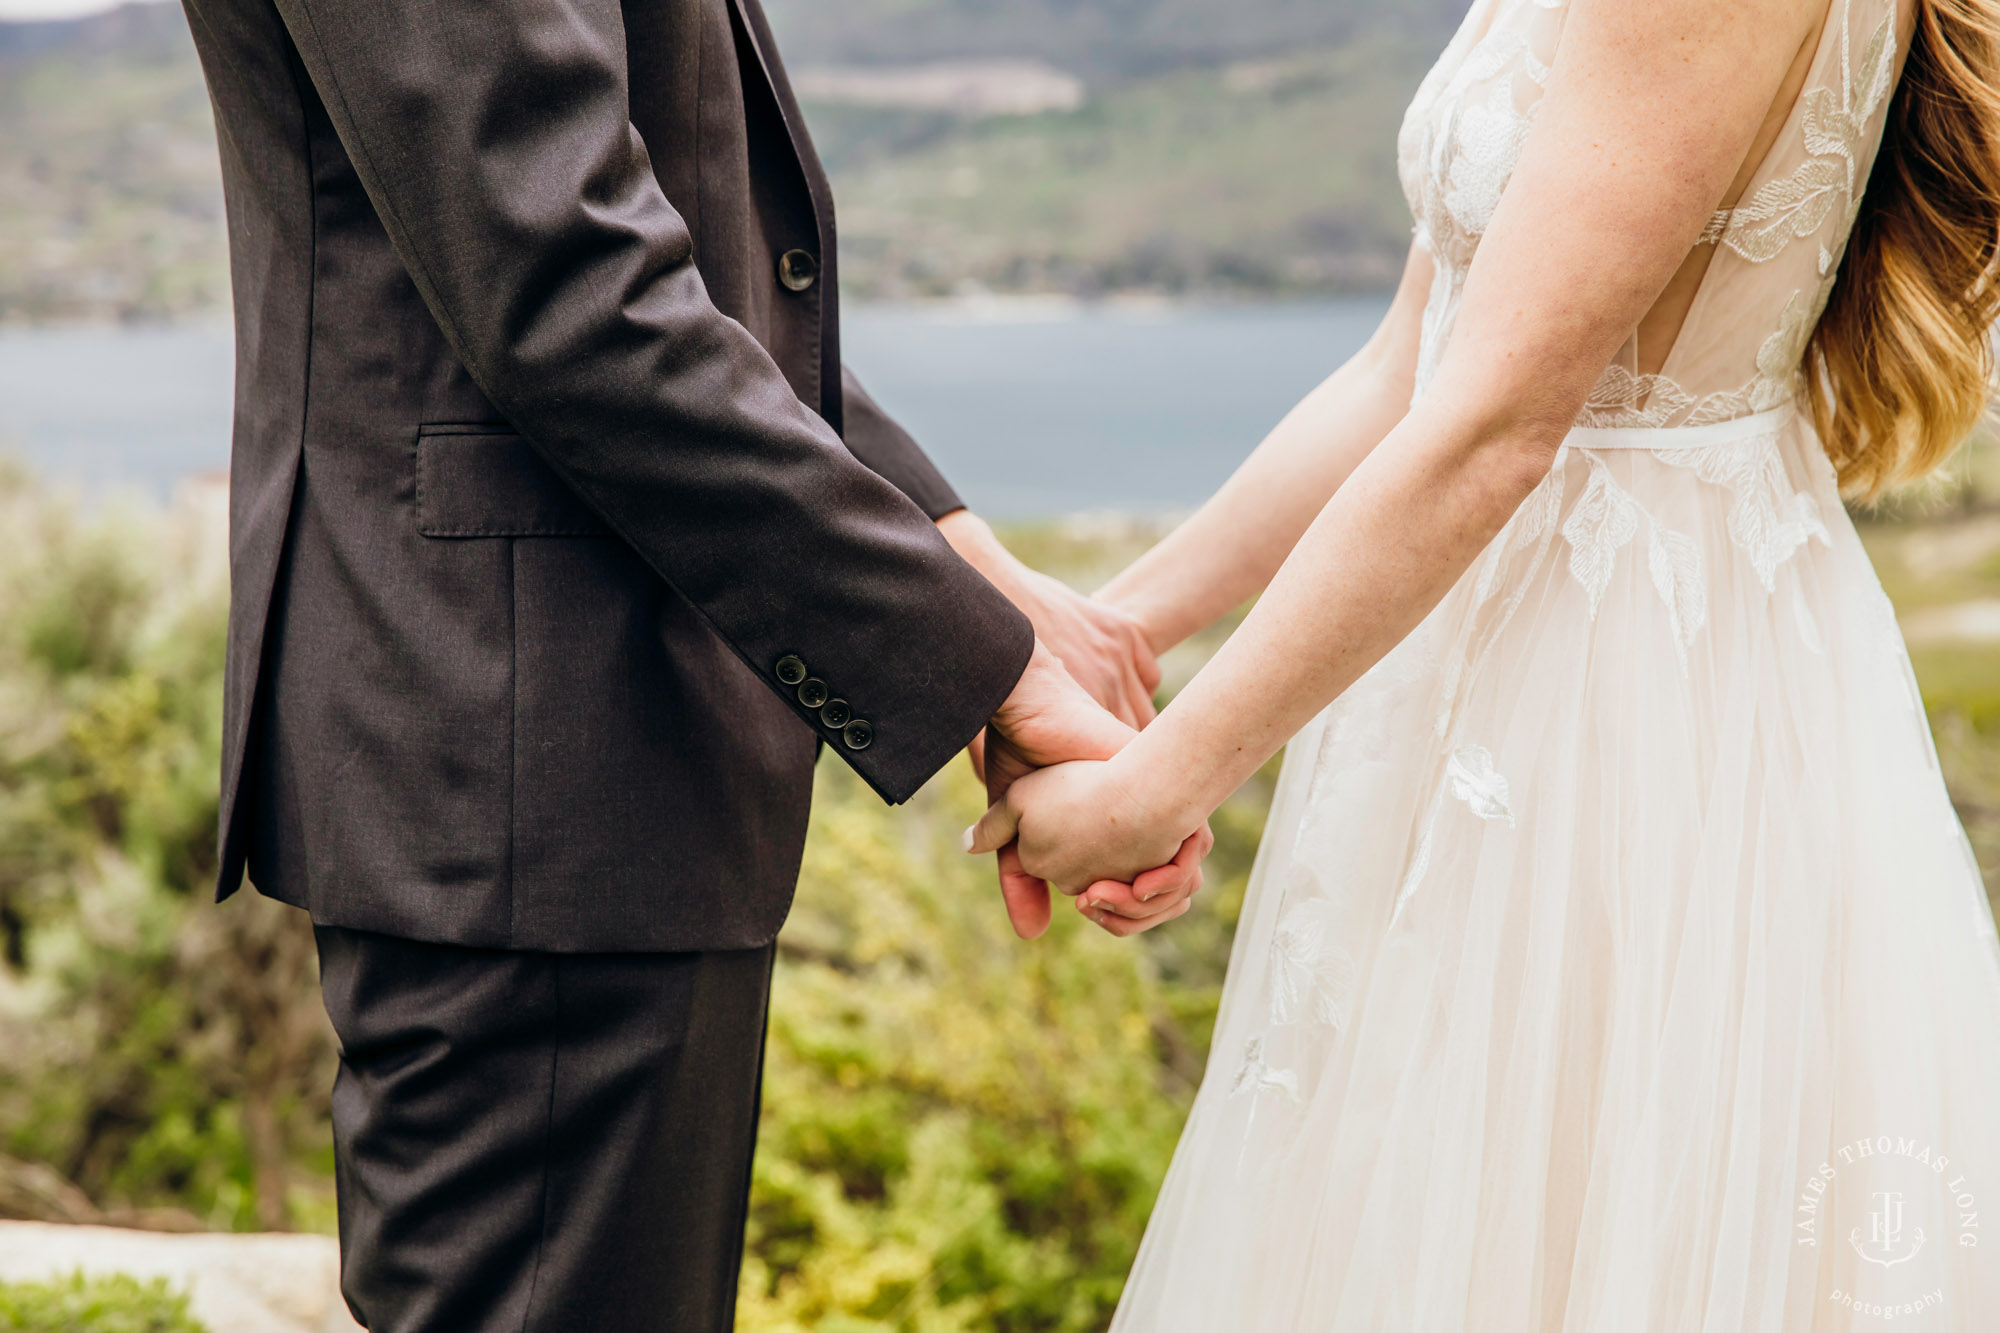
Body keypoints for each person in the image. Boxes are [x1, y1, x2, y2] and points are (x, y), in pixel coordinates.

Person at [973, 0, 2000, 1324]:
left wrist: (1154, 784)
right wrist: (1109, 638)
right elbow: (1409, 369)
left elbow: (1499, 424)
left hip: (1621, 719)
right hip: (1467, 679)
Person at [176, 0, 1200, 1326]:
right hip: (524, 756)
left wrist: (976, 574)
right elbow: (566, 281)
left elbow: (691, 259)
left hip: (580, 749)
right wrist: (984, 669)